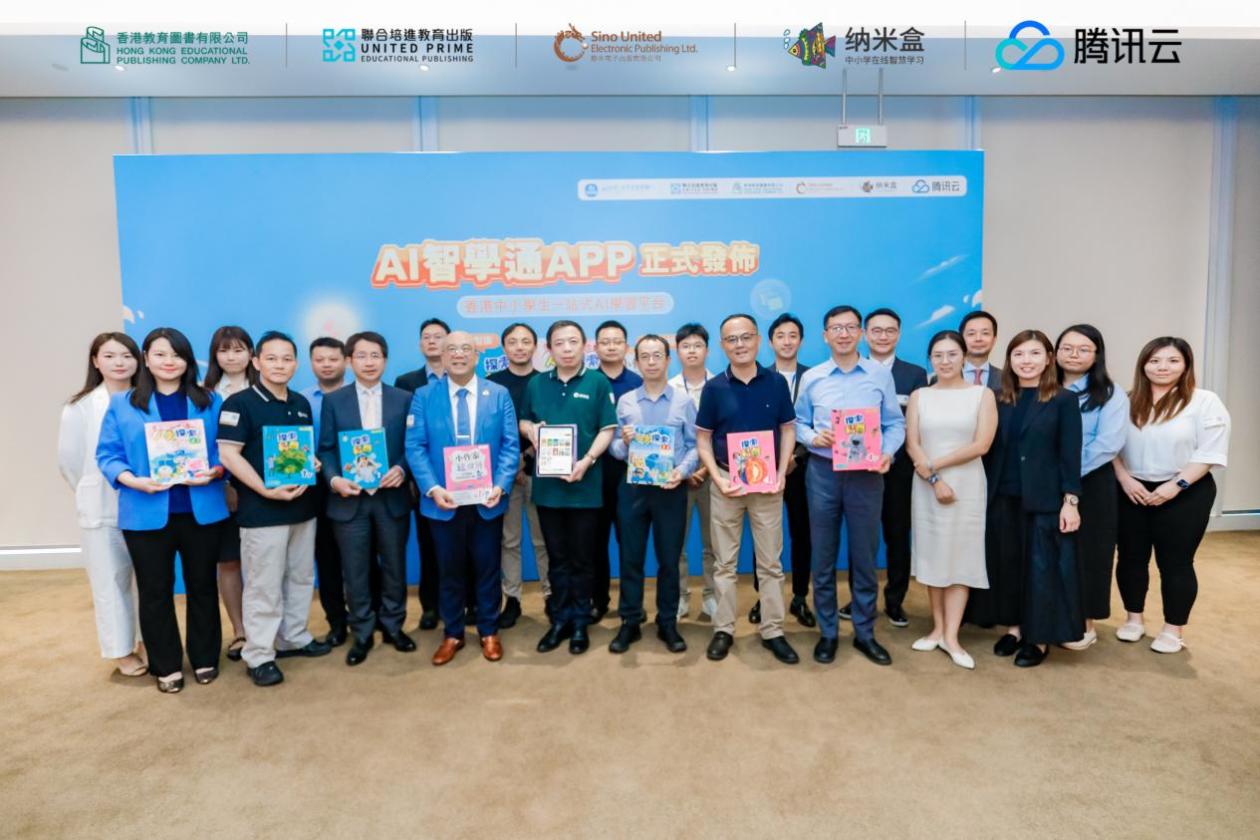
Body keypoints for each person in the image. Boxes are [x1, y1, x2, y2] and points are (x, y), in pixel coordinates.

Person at [96, 327, 229, 693]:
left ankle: (204, 657)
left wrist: (217, 470)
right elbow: (107, 455)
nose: (169, 361)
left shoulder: (210, 400)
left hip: (202, 509)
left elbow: (225, 449)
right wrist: (132, 480)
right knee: (155, 591)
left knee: (203, 587)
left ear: (188, 360)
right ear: (146, 358)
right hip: (145, 511)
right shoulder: (123, 403)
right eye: (160, 354)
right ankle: (166, 665)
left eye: (177, 354)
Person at [218, 331, 331, 687]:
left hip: (303, 508)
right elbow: (228, 455)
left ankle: (293, 637)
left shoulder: (300, 402)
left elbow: (297, 451)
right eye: (271, 358)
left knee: (300, 577)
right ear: (256, 362)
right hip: (262, 511)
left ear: (296, 364)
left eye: (287, 359)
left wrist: (311, 461)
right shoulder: (239, 403)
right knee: (263, 585)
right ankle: (259, 654)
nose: (280, 365)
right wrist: (264, 489)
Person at [795, 305, 905, 666]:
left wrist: (887, 452)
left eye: (850, 327)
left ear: (860, 333)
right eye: (835, 328)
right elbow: (797, 422)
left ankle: (865, 632)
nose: (843, 334)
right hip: (823, 473)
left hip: (867, 476)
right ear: (825, 335)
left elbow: (895, 423)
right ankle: (827, 632)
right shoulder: (812, 377)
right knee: (823, 555)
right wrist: (813, 437)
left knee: (864, 556)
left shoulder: (879, 375)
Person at [967, 330, 1083, 668]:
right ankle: (1015, 628)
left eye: (1034, 354)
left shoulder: (1063, 400)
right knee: (1008, 567)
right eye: (1019, 354)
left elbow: (1070, 454)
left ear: (1048, 359)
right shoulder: (996, 398)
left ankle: (1039, 638)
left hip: (1044, 499)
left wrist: (1071, 501)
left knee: (1041, 570)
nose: (1026, 361)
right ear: (1009, 360)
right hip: (1002, 496)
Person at [406, 331, 520, 666]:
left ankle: (489, 630)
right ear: (441, 356)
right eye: (451, 349)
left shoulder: (498, 394)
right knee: (449, 570)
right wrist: (432, 488)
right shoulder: (424, 396)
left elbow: (510, 445)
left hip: (487, 501)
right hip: (443, 502)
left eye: (465, 349)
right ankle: (453, 632)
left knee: (488, 568)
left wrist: (501, 485)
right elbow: (415, 446)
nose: (458, 354)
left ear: (477, 356)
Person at [1113, 337, 1230, 654]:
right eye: (1154, 360)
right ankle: (1133, 619)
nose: (1162, 367)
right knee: (1130, 557)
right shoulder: (1126, 401)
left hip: (1186, 491)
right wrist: (1125, 479)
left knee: (1176, 562)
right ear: (1143, 365)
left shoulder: (1204, 401)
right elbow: (1109, 446)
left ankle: (1172, 629)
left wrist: (1174, 486)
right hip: (1132, 490)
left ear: (1186, 365)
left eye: (1172, 360)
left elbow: (1209, 453)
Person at [695, 314, 800, 665]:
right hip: (727, 483)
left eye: (745, 337)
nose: (739, 344)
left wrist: (782, 472)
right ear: (722, 346)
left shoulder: (776, 382)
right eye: (731, 339)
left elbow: (788, 429)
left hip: (768, 486)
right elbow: (703, 439)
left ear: (757, 340)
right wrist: (717, 477)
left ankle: (773, 630)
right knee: (724, 564)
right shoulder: (714, 388)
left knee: (770, 563)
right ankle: (723, 629)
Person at [519, 320, 617, 655]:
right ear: (548, 349)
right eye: (559, 343)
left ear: (584, 346)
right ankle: (559, 620)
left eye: (573, 341)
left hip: (585, 487)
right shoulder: (536, 383)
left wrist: (586, 461)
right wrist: (531, 430)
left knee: (583, 559)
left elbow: (607, 428)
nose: (567, 348)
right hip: (548, 489)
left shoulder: (597, 382)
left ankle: (579, 623)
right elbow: (524, 419)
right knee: (557, 558)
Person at [318, 331, 416, 666]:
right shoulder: (334, 401)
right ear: (350, 361)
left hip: (392, 497)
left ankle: (393, 626)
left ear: (385, 360)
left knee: (394, 566)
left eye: (375, 355)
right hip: (350, 500)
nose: (369, 362)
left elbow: (413, 445)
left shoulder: (404, 398)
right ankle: (361, 632)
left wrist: (402, 469)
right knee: (355, 570)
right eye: (361, 356)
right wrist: (334, 479)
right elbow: (326, 448)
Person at [904, 330, 997, 670]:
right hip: (927, 486)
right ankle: (937, 629)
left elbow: (981, 444)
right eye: (938, 355)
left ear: (964, 357)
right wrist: (932, 478)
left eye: (952, 354)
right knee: (933, 556)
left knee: (960, 557)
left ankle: (953, 636)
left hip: (966, 485)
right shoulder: (920, 396)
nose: (945, 361)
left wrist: (935, 466)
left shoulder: (982, 394)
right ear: (930, 359)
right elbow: (912, 442)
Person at [58, 332, 146, 677]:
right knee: (110, 580)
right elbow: (70, 462)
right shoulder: (79, 407)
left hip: (145, 502)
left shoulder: (147, 400)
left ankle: (145, 641)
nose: (119, 362)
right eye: (109, 356)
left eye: (126, 355)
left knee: (148, 580)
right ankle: (121, 651)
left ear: (138, 361)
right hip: (101, 505)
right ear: (96, 361)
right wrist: (90, 490)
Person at [836, 307, 928, 628]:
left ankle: (895, 600)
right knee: (861, 538)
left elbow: (914, 425)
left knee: (897, 536)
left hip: (898, 470)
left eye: (890, 331)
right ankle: (860, 598)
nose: (883, 336)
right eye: (876, 330)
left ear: (899, 335)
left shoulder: (914, 374)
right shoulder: (850, 370)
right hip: (858, 470)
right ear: (864, 334)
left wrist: (891, 455)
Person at [607, 335, 697, 654]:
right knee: (630, 558)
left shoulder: (684, 402)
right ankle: (630, 621)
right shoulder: (626, 402)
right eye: (644, 356)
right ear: (636, 362)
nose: (651, 362)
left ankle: (667, 622)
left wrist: (681, 472)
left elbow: (694, 445)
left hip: (670, 489)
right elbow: (614, 447)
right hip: (633, 489)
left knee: (669, 559)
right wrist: (624, 442)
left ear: (668, 359)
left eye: (657, 355)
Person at [1055, 325, 1129, 650]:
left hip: (1092, 482)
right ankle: (1052, 618)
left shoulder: (1110, 393)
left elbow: (1108, 444)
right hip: (1048, 483)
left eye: (1083, 349)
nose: (1074, 355)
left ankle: (1085, 624)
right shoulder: (1044, 387)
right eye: (1067, 348)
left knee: (1089, 555)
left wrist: (1066, 474)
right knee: (1052, 553)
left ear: (1096, 355)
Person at [301, 336, 371, 646]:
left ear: (346, 361)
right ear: (311, 363)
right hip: (316, 488)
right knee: (327, 556)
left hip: (360, 484)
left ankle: (368, 617)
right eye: (320, 360)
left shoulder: (363, 395)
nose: (327, 365)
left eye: (333, 359)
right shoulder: (300, 400)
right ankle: (337, 623)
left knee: (364, 556)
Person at [747, 313, 815, 628]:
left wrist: (794, 458)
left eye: (793, 335)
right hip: (763, 468)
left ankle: (800, 596)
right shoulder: (756, 377)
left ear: (801, 340)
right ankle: (764, 597)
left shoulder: (814, 377)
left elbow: (818, 423)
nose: (787, 341)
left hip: (803, 468)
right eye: (780, 336)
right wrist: (772, 462)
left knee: (803, 533)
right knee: (764, 536)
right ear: (770, 342)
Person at [393, 317, 457, 633]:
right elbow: (404, 435)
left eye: (439, 336)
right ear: (420, 344)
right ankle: (431, 606)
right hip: (425, 480)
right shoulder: (407, 382)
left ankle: (464, 603)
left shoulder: (467, 377)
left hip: (465, 477)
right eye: (427, 337)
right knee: (429, 544)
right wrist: (413, 478)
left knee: (465, 544)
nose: (432, 341)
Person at [487, 322, 551, 628]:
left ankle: (550, 595)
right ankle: (511, 598)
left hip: (540, 472)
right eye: (513, 342)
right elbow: (487, 431)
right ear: (504, 348)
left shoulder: (545, 382)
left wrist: (524, 460)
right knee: (508, 540)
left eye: (526, 341)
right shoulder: (491, 384)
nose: (520, 347)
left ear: (535, 347)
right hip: (503, 476)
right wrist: (510, 466)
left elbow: (551, 428)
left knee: (543, 539)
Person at [203, 325, 257, 662]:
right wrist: (224, 484)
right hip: (221, 491)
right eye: (224, 351)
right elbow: (202, 447)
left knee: (266, 562)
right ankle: (240, 630)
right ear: (215, 356)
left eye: (239, 350)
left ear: (251, 354)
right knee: (229, 561)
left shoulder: (268, 387)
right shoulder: (202, 395)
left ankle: (268, 628)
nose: (232, 357)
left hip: (264, 490)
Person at [592, 319, 643, 623]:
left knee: (631, 542)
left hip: (630, 475)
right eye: (605, 341)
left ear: (626, 347)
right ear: (595, 347)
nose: (611, 346)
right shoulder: (587, 381)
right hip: (594, 475)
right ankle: (598, 600)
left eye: (617, 341)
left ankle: (631, 604)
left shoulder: (638, 382)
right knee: (595, 541)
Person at [669, 323, 718, 621]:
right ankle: (680, 597)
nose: (691, 351)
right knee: (677, 543)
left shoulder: (721, 385)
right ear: (677, 352)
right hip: (679, 477)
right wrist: (687, 470)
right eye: (685, 346)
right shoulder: (670, 388)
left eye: (697, 345)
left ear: (707, 350)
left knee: (715, 543)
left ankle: (712, 597)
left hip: (716, 477)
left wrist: (707, 468)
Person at [958, 311, 1003, 392]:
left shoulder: (1006, 378)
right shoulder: (943, 379)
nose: (978, 339)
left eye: (985, 333)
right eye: (971, 334)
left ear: (994, 340)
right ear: (961, 339)